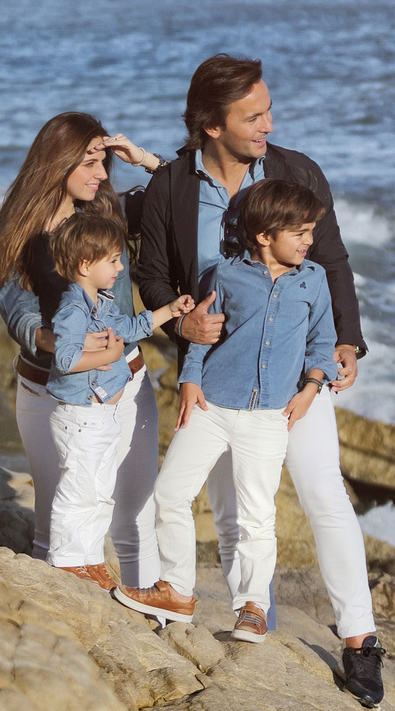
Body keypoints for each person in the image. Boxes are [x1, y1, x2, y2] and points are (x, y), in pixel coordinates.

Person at [126, 54, 384, 701]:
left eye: (268, 109)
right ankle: (253, 621)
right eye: (254, 115)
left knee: (324, 493)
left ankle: (360, 640)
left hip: (297, 378)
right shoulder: (172, 187)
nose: (269, 123)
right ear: (211, 125)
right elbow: (154, 275)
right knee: (233, 508)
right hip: (218, 378)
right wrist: (180, 328)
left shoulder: (296, 171)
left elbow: (333, 262)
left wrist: (346, 342)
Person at [116, 179, 338, 647]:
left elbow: (322, 340)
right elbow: (202, 333)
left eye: (310, 232)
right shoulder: (223, 275)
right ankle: (177, 590)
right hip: (211, 404)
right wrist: (189, 379)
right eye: (299, 232)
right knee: (170, 494)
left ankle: (253, 607)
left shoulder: (314, 279)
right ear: (264, 235)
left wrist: (312, 387)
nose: (308, 241)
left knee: (256, 516)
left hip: (268, 417)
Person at [0, 112, 172, 589]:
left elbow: (186, 197)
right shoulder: (18, 228)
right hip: (50, 390)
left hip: (125, 382)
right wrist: (45, 338)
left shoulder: (109, 210)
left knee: (135, 518)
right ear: (58, 162)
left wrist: (146, 160)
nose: (103, 173)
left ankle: (151, 622)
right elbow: (13, 299)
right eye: (90, 162)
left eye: (104, 161)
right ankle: (66, 627)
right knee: (53, 521)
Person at [40, 212, 194, 589]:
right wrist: (108, 358)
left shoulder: (103, 303)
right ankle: (64, 559)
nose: (121, 266)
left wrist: (170, 311)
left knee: (100, 491)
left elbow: (131, 327)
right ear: (85, 265)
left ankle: (89, 558)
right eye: (112, 260)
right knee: (79, 489)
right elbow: (64, 358)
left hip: (102, 413)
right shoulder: (73, 310)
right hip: (81, 413)